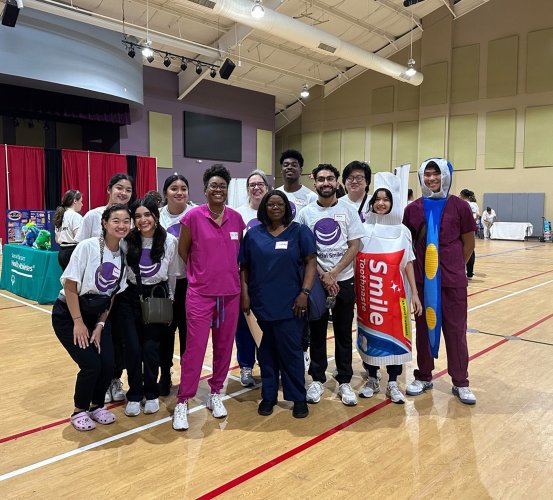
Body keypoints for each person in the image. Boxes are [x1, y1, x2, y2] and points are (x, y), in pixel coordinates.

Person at [173, 164, 245, 431]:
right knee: (194, 350)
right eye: (213, 185)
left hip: (230, 295)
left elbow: (239, 256)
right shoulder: (192, 217)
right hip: (200, 295)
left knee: (225, 348)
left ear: (227, 190)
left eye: (222, 186)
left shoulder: (237, 219)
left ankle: (216, 392)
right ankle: (183, 400)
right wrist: (201, 273)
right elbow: (184, 250)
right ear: (205, 189)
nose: (218, 189)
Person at [403, 158, 477, 405]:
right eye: (427, 174)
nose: (432, 179)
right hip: (423, 284)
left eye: (437, 174)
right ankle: (423, 375)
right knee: (423, 330)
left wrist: (454, 267)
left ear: (446, 176)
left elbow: (468, 244)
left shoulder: (460, 207)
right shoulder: (412, 209)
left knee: (456, 332)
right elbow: (408, 246)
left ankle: (460, 381)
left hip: (453, 282)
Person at [51, 204, 131, 431]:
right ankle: (79, 410)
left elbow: (112, 294)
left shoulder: (123, 256)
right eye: (116, 220)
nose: (121, 225)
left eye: (126, 221)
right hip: (69, 314)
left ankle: (97, 406)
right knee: (91, 365)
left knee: (108, 363)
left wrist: (100, 324)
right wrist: (78, 322)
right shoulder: (87, 247)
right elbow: (70, 286)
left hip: (96, 317)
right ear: (104, 223)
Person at [240, 190, 317, 418]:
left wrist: (305, 292)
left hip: (292, 305)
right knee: (266, 354)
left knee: (292, 353)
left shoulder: (300, 232)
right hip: (261, 305)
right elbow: (244, 267)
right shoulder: (253, 235)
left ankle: (298, 398)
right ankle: (269, 396)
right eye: (270, 204)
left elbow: (311, 262)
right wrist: (245, 295)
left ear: (286, 208)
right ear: (264, 208)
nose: (275, 208)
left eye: (279, 204)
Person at [297, 164, 365, 407]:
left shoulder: (349, 211)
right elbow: (304, 250)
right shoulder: (305, 213)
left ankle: (344, 380)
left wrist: (334, 273)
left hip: (343, 281)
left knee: (344, 332)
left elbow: (355, 245)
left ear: (337, 182)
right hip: (316, 282)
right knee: (315, 332)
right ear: (314, 182)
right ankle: (316, 378)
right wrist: (323, 275)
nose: (326, 183)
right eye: (321, 179)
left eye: (330, 179)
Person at [355, 173, 422, 404]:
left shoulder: (403, 231)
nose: (381, 203)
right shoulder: (362, 228)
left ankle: (393, 381)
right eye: (377, 199)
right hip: (370, 297)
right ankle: (372, 378)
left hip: (396, 296)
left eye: (386, 199)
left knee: (396, 336)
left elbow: (409, 263)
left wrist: (415, 295)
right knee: (370, 337)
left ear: (393, 203)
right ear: (372, 202)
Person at [75, 173, 136, 404]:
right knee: (91, 339)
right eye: (119, 188)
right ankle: (95, 382)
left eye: (128, 190)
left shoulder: (130, 221)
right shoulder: (92, 216)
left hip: (118, 291)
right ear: (109, 189)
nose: (123, 193)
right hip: (92, 293)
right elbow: (77, 251)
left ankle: (114, 379)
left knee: (117, 338)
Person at [119, 198, 179, 416]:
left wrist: (169, 299)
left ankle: (151, 393)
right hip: (130, 297)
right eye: (137, 216)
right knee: (133, 349)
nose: (142, 220)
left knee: (151, 348)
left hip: (157, 296)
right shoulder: (127, 240)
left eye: (147, 215)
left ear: (155, 216)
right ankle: (135, 393)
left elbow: (171, 273)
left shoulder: (169, 241)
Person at [157, 174, 194, 396]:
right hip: (165, 285)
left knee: (189, 335)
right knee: (165, 333)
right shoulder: (157, 216)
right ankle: (165, 373)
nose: (179, 192)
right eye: (174, 188)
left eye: (183, 188)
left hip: (191, 284)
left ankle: (188, 377)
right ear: (165, 192)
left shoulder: (196, 213)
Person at [234, 170, 270, 387]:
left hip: (269, 282)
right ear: (247, 189)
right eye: (252, 184)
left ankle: (267, 365)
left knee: (267, 326)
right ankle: (246, 366)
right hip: (244, 279)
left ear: (267, 187)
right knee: (244, 326)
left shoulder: (274, 213)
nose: (256, 188)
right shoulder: (237, 214)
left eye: (260, 184)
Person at [276, 149, 317, 219]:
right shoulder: (275, 194)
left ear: (301, 170)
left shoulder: (311, 197)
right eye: (286, 165)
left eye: (294, 165)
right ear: (281, 170)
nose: (289, 167)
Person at [53, 189, 83, 270]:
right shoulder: (75, 216)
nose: (82, 204)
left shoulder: (60, 215)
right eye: (81, 201)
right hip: (72, 252)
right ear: (74, 201)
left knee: (67, 281)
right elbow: (79, 237)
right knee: (76, 281)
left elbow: (57, 239)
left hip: (62, 252)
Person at [460, 189, 479, 279]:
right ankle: (469, 271)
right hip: (467, 228)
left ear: (462, 195)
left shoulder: (469, 204)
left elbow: (475, 217)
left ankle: (468, 271)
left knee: (469, 249)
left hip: (466, 229)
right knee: (469, 250)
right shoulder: (473, 204)